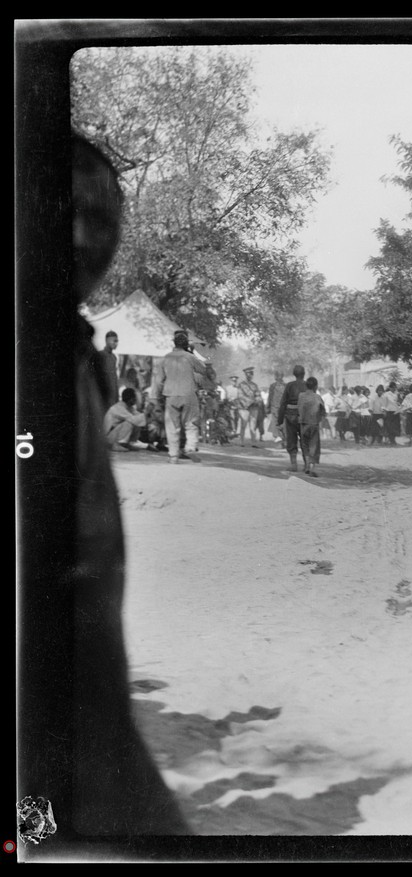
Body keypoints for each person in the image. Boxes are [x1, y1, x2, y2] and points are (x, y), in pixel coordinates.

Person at [27, 131, 190, 833]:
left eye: (106, 214)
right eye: (72, 211)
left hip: (88, 678)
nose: (92, 236)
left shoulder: (82, 351)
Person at [149, 330, 206, 463]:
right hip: (188, 394)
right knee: (191, 423)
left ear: (174, 343)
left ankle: (173, 456)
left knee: (172, 426)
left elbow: (158, 381)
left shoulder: (165, 358)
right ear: (186, 344)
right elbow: (203, 369)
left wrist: (155, 398)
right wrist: (192, 353)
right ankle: (191, 447)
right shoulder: (189, 357)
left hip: (171, 395)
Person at [275, 364, 308, 472]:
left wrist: (279, 420)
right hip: (305, 416)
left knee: (291, 440)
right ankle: (307, 464)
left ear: (294, 374)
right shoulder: (308, 385)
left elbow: (283, 403)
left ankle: (294, 465)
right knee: (305, 440)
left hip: (291, 416)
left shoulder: (289, 385)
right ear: (304, 374)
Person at [103, 387, 148, 451]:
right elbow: (133, 419)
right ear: (131, 399)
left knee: (138, 421)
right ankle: (119, 444)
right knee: (129, 422)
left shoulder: (129, 408)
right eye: (135, 398)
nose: (136, 400)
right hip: (109, 438)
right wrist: (147, 413)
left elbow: (139, 417)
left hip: (114, 435)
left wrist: (147, 414)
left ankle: (128, 443)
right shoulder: (118, 407)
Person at [298, 376, 326, 476]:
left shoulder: (301, 396)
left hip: (303, 423)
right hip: (314, 424)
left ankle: (306, 466)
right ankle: (313, 468)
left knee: (304, 445)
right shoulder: (317, 397)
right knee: (314, 446)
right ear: (315, 386)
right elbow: (323, 411)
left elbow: (299, 408)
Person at [236, 366, 263, 447]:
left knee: (253, 425)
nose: (249, 375)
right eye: (248, 374)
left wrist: (258, 399)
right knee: (243, 425)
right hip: (244, 408)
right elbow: (240, 396)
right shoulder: (241, 385)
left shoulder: (255, 385)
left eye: (251, 374)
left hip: (254, 407)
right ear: (245, 374)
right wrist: (250, 401)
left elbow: (258, 395)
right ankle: (241, 442)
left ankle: (253, 442)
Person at [94, 329, 121, 408]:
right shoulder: (100, 355)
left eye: (117, 341)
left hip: (113, 395)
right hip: (103, 395)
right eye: (114, 341)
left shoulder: (114, 357)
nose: (116, 343)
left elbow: (114, 377)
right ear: (107, 341)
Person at [266, 371, 288, 445]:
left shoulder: (274, 386)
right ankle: (283, 441)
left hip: (277, 408)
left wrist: (268, 407)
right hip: (281, 408)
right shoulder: (286, 385)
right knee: (282, 424)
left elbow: (270, 397)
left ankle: (281, 441)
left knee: (277, 424)